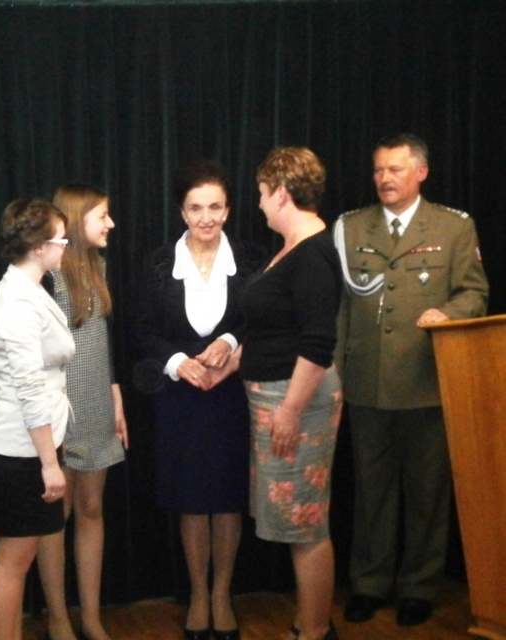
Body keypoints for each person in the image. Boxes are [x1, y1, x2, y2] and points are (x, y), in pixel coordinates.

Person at [333, 133, 489, 626]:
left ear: (420, 172)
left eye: (395, 169)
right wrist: (335, 374)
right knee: (371, 491)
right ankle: (369, 584)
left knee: (427, 493)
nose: (384, 179)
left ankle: (419, 587)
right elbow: (340, 307)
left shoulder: (453, 226)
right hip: (367, 382)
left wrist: (448, 313)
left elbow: (474, 293)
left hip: (426, 382)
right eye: (379, 170)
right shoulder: (351, 227)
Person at [134, 160, 265, 640]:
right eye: (196, 208)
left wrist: (229, 342)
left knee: (228, 498)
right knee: (192, 499)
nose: (206, 217)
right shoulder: (157, 263)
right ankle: (197, 595)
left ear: (228, 210)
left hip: (232, 391)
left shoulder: (250, 259)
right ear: (182, 212)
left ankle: (222, 595)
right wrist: (177, 363)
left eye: (214, 207)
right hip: (180, 395)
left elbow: (258, 321)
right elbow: (143, 330)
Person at [239, 147, 343, 640]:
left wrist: (290, 410)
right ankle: (308, 624)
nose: (259, 203)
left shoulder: (312, 253)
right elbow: (277, 327)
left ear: (281, 192)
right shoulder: (293, 247)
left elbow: (318, 344)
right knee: (299, 520)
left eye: (262, 193)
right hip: (278, 397)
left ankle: (316, 632)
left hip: (296, 402)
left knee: (306, 522)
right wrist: (233, 356)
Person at [0, 199, 75, 640]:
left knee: (17, 560)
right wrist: (49, 463)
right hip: (20, 452)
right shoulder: (17, 301)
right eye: (60, 239)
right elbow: (29, 389)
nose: (64, 246)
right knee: (12, 564)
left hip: (31, 446)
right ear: (38, 246)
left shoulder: (30, 288)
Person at [36, 184, 128, 640]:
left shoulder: (99, 266)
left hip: (96, 405)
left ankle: (90, 617)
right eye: (102, 216)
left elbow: (101, 340)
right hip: (59, 410)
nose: (111, 224)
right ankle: (58, 618)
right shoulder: (48, 278)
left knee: (92, 508)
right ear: (75, 221)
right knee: (58, 516)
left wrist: (115, 396)